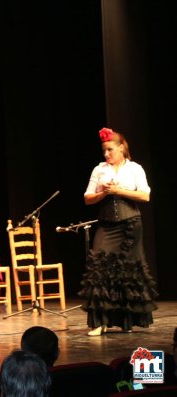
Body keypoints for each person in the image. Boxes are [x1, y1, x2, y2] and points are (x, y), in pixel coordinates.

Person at [78, 127, 158, 336]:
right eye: (104, 151)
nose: (106, 154)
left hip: (130, 224)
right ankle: (99, 322)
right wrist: (104, 192)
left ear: (121, 148)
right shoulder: (99, 170)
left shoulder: (134, 169)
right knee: (100, 268)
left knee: (127, 271)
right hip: (107, 224)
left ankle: (127, 321)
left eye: (110, 150)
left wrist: (118, 191)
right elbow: (87, 198)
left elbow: (145, 196)